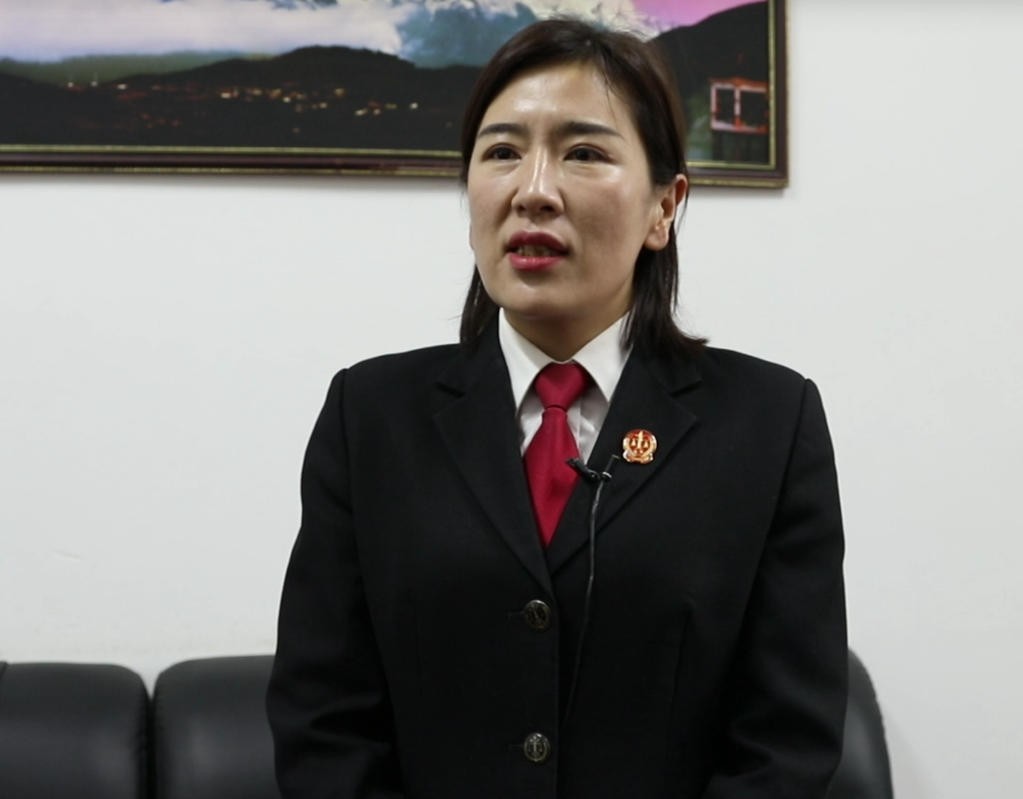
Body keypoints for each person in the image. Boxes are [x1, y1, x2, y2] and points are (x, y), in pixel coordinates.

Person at [267, 18, 847, 799]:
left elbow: (787, 742)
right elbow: (323, 723)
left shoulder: (769, 424)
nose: (532, 190)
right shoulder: (369, 416)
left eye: (584, 153)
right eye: (502, 152)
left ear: (664, 206)